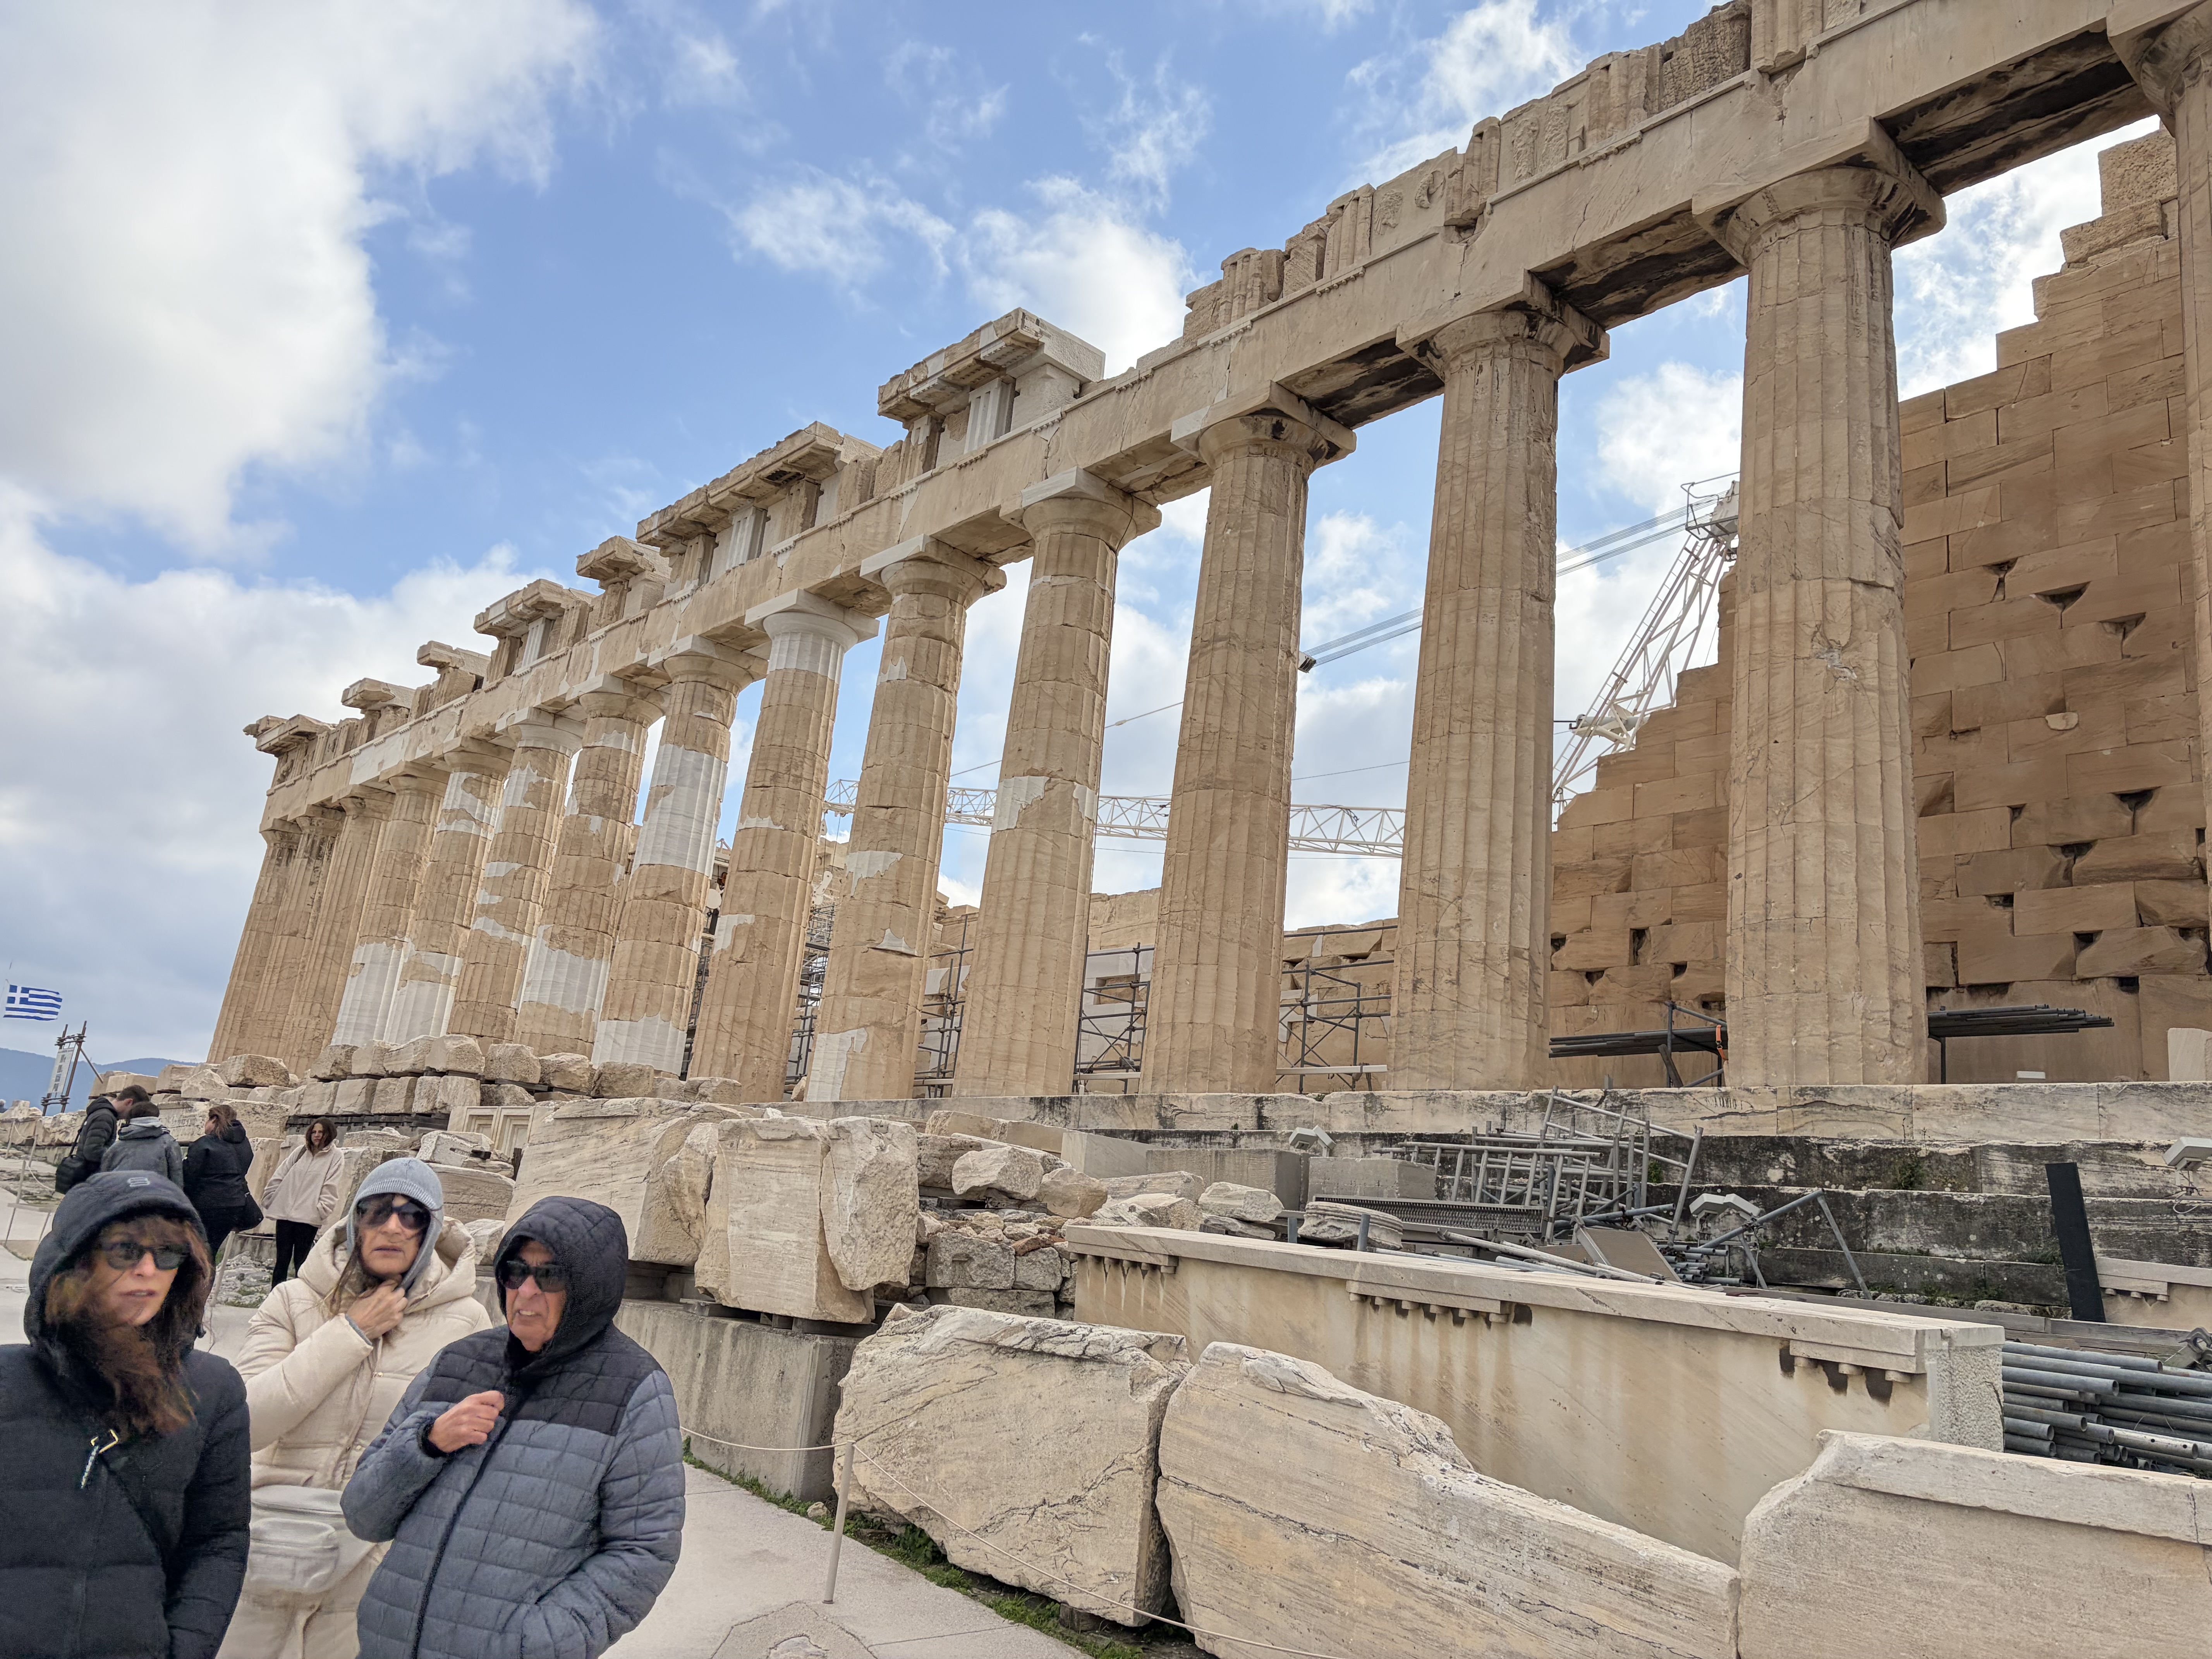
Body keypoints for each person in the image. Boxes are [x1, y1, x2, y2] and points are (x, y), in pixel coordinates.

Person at [343, 1196, 684, 1659]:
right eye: (515, 1271)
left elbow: (644, 1551)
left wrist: (537, 1643)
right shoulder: (458, 1363)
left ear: (590, 1285)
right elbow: (363, 1516)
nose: (525, 1292)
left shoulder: (635, 1390)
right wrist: (426, 1444)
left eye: (551, 1275)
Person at [218, 1159, 491, 1659]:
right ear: (355, 1221)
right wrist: (351, 1333)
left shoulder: (466, 1323)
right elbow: (245, 1424)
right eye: (377, 1211)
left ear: (431, 1230)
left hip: (374, 1566)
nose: (393, 1227)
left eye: (412, 1216)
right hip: (269, 1547)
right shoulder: (293, 1300)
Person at [0, 1171, 251, 1659]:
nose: (148, 1271)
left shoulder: (212, 1391)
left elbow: (217, 1542)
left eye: (169, 1254)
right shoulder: (10, 1381)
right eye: (125, 1251)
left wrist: (185, 1649)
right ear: (79, 1260)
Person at [262, 1118, 343, 1285]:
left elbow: (331, 1185)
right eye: (314, 1132)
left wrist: (322, 1209)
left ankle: (299, 1296)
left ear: (329, 1134)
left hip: (308, 1218)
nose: (317, 1135)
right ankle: (276, 1296)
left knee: (302, 1262)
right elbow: (281, 1173)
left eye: (321, 1132)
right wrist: (270, 1196)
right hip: (286, 1215)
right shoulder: (300, 1152)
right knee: (281, 1261)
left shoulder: (336, 1156)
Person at [182, 1103, 260, 1258]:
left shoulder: (205, 1143)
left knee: (194, 1253)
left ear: (214, 1120)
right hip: (235, 1203)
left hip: (207, 1204)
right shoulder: (244, 1144)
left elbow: (190, 1175)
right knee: (211, 1251)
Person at [54, 1082, 129, 1194]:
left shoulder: (100, 1112)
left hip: (84, 1173)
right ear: (129, 1102)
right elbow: (92, 1151)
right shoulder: (106, 1117)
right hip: (88, 1175)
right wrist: (116, 1155)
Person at [103, 1093, 184, 1187]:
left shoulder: (115, 1147)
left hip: (121, 1193)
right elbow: (177, 1176)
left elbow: (104, 1177)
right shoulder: (168, 1143)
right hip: (157, 1193)